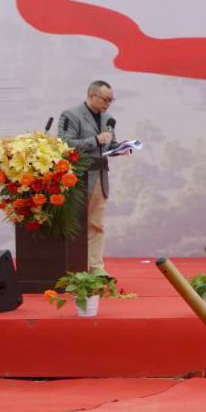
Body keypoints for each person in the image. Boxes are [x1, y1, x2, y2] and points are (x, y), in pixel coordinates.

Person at [56, 80, 121, 273]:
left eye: (111, 100)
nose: (108, 104)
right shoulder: (71, 115)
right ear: (91, 95)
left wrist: (121, 148)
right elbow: (65, 144)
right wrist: (95, 140)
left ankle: (96, 268)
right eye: (105, 99)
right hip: (77, 178)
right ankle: (73, 268)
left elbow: (108, 146)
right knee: (76, 224)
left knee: (96, 224)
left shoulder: (108, 119)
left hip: (100, 177)